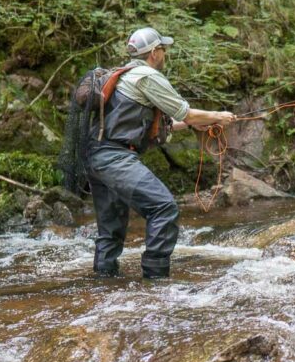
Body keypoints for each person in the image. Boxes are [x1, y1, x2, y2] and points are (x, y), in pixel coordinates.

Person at [87, 27, 235, 279]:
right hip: (115, 158)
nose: (165, 53)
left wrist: (194, 122)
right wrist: (219, 116)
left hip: (96, 156)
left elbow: (157, 124)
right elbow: (184, 112)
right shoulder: (147, 75)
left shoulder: (125, 75)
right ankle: (155, 280)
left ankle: (103, 284)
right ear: (154, 52)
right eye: (163, 49)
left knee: (110, 231)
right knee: (163, 208)